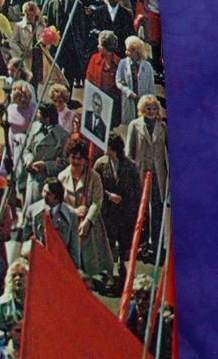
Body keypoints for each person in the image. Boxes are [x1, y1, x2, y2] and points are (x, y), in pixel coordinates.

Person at [59, 140, 112, 286]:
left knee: (93, 257)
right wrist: (74, 211)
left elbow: (97, 201)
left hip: (91, 224)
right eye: (73, 157)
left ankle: (101, 278)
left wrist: (88, 220)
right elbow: (59, 202)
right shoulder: (62, 177)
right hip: (70, 223)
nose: (76, 162)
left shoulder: (94, 177)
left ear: (85, 159)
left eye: (79, 158)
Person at [94, 131, 141, 294]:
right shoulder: (100, 164)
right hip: (108, 212)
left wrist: (136, 211)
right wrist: (109, 196)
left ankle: (123, 269)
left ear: (114, 148)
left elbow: (137, 190)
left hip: (126, 212)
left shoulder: (130, 165)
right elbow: (96, 186)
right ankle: (109, 276)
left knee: (124, 244)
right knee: (109, 245)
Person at [125, 94, 168, 254]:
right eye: (148, 108)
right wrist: (129, 174)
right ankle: (143, 243)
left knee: (157, 208)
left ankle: (157, 244)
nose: (151, 111)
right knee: (142, 209)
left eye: (154, 108)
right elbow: (129, 152)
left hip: (158, 174)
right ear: (142, 110)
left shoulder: (162, 126)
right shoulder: (134, 125)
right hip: (141, 172)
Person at [0, 259, 28, 359]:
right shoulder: (3, 303)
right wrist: (10, 334)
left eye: (21, 275)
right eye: (14, 276)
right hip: (10, 349)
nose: (17, 278)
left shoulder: (37, 301)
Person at [115, 36, 155, 126]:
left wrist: (151, 102)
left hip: (143, 100)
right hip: (129, 99)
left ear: (136, 51)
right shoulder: (123, 63)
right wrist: (128, 92)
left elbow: (151, 87)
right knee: (130, 125)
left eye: (128, 50)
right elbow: (118, 81)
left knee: (143, 125)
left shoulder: (147, 66)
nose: (126, 52)